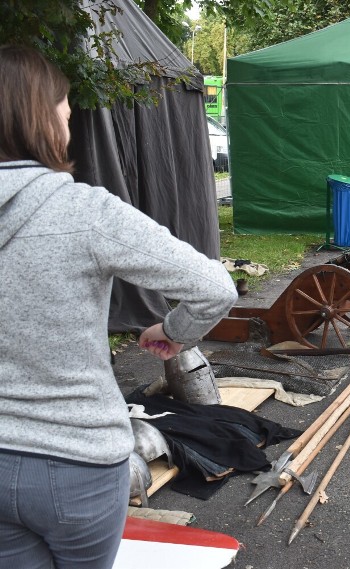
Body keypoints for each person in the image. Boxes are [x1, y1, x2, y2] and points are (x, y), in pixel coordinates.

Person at [0, 44, 237, 568]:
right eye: (63, 103)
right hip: (77, 464)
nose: (69, 114)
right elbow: (215, 286)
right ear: (39, 115)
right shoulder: (86, 210)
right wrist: (174, 330)